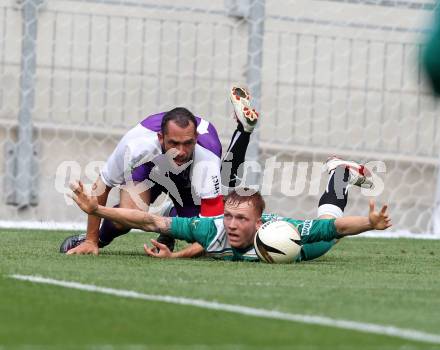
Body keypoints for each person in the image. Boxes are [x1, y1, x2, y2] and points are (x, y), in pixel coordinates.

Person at [68, 157, 390, 263]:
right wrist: (97, 208)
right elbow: (149, 219)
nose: (232, 225)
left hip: (306, 250)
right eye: (229, 216)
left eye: (241, 219)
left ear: (259, 222)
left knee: (328, 224)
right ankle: (342, 174)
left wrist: (369, 222)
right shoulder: (210, 228)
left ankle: (340, 174)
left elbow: (339, 229)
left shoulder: (287, 232)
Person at [60, 85, 259, 256]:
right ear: (160, 138)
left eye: (188, 143)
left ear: (196, 139)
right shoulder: (135, 144)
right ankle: (97, 240)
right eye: (174, 143)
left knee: (202, 235)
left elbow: (212, 232)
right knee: (126, 218)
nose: (181, 151)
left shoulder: (206, 159)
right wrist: (91, 240)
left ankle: (169, 218)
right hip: (149, 167)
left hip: (189, 176)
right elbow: (102, 186)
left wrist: (176, 256)